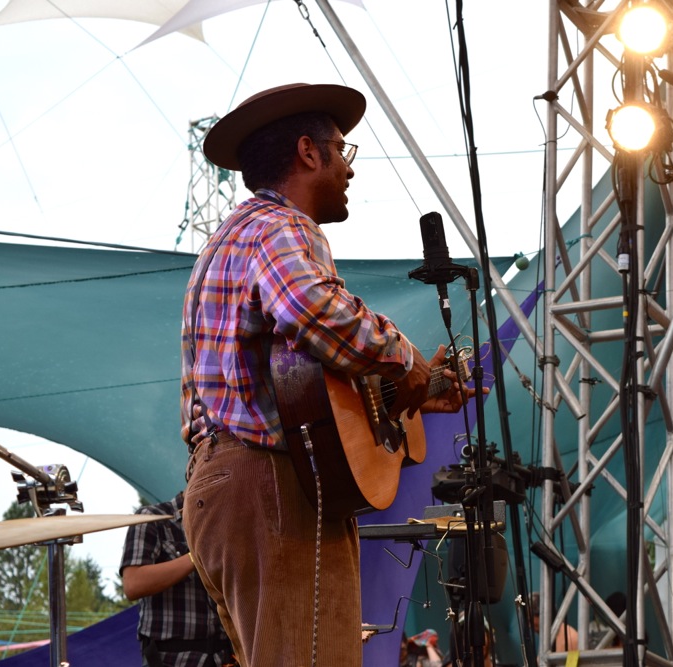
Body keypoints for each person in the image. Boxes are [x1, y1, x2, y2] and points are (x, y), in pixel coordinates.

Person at [179, 82, 475, 667]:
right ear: (309, 152)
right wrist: (403, 356)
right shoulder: (282, 227)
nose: (350, 169)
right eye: (343, 151)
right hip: (270, 484)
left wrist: (410, 395)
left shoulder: (235, 236)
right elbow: (308, 307)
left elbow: (300, 383)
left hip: (230, 485)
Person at [120, 492, 235, 667]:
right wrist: (195, 555)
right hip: (170, 660)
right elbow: (133, 584)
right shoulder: (151, 518)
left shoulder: (225, 523)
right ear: (190, 475)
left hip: (223, 657)